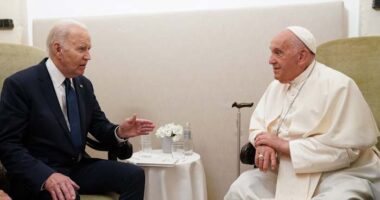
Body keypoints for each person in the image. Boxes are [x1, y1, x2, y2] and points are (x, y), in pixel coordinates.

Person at [0, 20, 155, 200]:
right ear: (58, 49)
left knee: (134, 175)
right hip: (39, 173)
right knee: (68, 195)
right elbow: (8, 144)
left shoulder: (83, 85)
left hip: (77, 167)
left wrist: (120, 132)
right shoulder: (20, 85)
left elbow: (99, 127)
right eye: (82, 49)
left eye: (89, 49)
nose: (88, 56)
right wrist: (46, 177)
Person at [225, 26, 380, 199]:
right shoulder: (276, 86)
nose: (270, 60)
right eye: (271, 53)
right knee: (241, 188)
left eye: (278, 53)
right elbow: (258, 125)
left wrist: (283, 145)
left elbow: (349, 150)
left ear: (301, 57)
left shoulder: (340, 86)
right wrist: (263, 143)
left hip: (337, 174)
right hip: (285, 171)